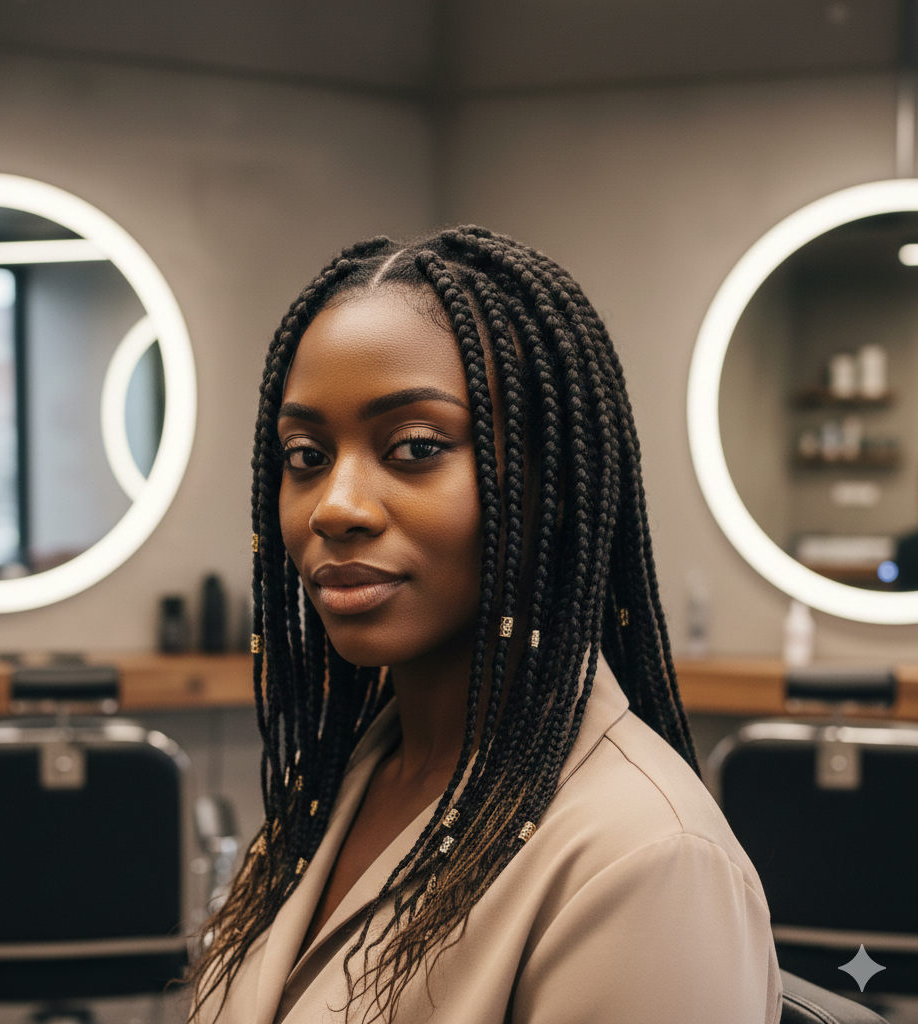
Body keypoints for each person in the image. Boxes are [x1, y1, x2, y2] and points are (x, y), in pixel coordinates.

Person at [191, 228, 781, 1023]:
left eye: (414, 447)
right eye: (305, 456)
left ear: (551, 489)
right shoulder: (334, 785)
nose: (335, 505)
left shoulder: (647, 859)